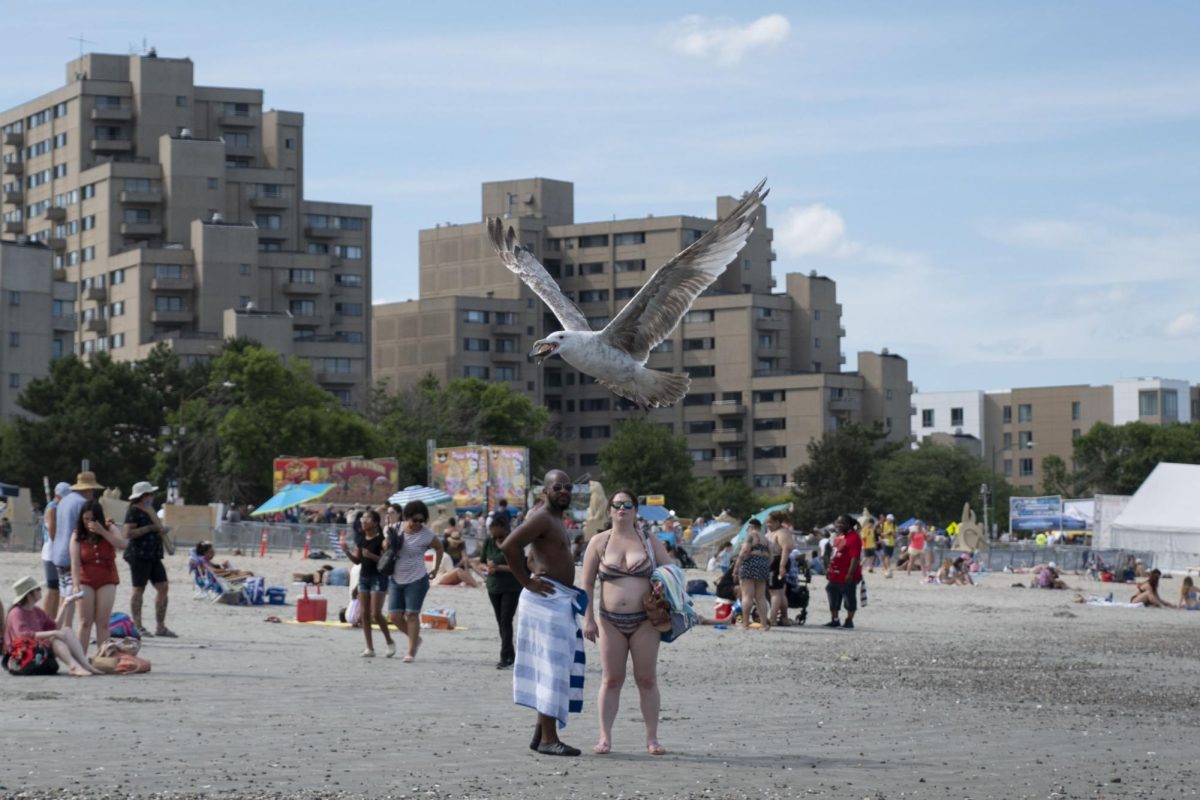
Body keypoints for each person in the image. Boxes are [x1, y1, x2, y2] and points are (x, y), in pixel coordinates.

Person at [581, 489, 673, 756]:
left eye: (628, 505)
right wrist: (587, 618)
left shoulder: (648, 539)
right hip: (609, 621)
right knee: (611, 680)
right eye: (617, 505)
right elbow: (586, 584)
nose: (622, 509)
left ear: (635, 510)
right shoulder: (598, 542)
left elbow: (671, 570)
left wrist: (662, 585)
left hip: (645, 621)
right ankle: (605, 737)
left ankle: (652, 739)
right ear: (610, 509)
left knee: (646, 679)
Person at [502, 469, 585, 757]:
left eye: (568, 487)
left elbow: (529, 553)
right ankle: (550, 739)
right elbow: (509, 546)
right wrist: (526, 581)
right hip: (545, 600)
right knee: (550, 668)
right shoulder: (541, 517)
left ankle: (541, 734)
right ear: (545, 491)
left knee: (552, 666)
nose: (564, 491)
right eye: (558, 487)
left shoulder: (553, 519)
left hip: (554, 599)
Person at [3, 576, 101, 676]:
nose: (41, 591)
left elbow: (55, 626)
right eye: (38, 589)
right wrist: (53, 633)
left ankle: (84, 664)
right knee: (55, 640)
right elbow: (23, 635)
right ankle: (74, 667)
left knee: (66, 630)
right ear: (29, 595)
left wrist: (65, 604)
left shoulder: (36, 610)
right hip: (22, 655)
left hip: (37, 650)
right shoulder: (16, 613)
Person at [387, 500, 442, 663]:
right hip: (396, 577)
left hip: (417, 579)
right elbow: (385, 547)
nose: (418, 523)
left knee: (411, 614)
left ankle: (411, 650)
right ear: (407, 517)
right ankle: (415, 638)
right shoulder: (396, 528)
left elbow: (439, 548)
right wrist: (388, 541)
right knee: (395, 616)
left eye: (421, 520)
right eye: (414, 520)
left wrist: (435, 568)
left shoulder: (426, 534)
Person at [71, 499, 126, 656]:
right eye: (85, 519)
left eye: (92, 519)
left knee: (102, 622)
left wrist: (102, 531)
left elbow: (122, 544)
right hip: (85, 579)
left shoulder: (109, 528)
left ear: (99, 518)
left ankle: (103, 659)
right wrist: (75, 585)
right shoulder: (77, 535)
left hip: (106, 578)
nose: (89, 523)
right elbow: (75, 563)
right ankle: (80, 657)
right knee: (84, 621)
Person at [123, 481, 175, 638]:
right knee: (138, 589)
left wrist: (160, 530)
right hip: (139, 555)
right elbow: (127, 533)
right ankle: (138, 626)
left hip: (153, 555)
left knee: (163, 587)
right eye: (150, 494)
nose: (152, 496)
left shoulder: (150, 510)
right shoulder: (133, 511)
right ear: (143, 496)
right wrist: (151, 528)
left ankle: (161, 626)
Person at [54, 471, 102, 629]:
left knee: (64, 593)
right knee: (72, 595)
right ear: (88, 489)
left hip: (58, 552)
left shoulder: (63, 501)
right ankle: (66, 628)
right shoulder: (82, 504)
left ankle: (59, 626)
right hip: (71, 554)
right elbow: (85, 529)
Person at [346, 509, 395, 658]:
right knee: (364, 614)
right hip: (364, 578)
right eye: (362, 518)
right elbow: (358, 561)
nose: (363, 520)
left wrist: (372, 556)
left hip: (378, 578)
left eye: (367, 518)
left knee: (376, 613)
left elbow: (386, 561)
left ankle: (389, 642)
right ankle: (370, 648)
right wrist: (347, 552)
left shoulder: (382, 539)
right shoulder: (361, 539)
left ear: (375, 523)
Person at [479, 517, 523, 669]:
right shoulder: (488, 542)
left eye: (496, 528)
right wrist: (487, 568)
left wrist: (498, 567)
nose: (493, 531)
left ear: (504, 529)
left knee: (506, 620)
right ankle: (510, 654)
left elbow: (519, 567)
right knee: (501, 622)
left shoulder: (514, 543)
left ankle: (505, 657)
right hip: (493, 587)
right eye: (491, 528)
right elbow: (482, 561)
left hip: (511, 587)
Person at [823, 514, 862, 629]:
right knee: (831, 592)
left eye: (842, 523)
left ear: (849, 525)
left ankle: (849, 620)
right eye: (838, 522)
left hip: (847, 574)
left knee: (849, 597)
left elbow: (855, 558)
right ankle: (835, 620)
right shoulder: (839, 536)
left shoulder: (854, 538)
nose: (839, 525)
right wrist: (828, 570)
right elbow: (833, 554)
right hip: (835, 573)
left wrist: (850, 574)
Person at [732, 518, 771, 630]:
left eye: (748, 528)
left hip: (749, 565)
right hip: (763, 566)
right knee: (761, 597)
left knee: (747, 595)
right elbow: (771, 555)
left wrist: (736, 567)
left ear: (752, 527)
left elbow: (744, 550)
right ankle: (764, 624)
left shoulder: (750, 536)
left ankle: (745, 624)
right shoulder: (765, 538)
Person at [41, 482, 71, 621]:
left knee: (57, 590)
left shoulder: (55, 506)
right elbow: (53, 533)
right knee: (53, 589)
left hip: (53, 552)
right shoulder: (53, 508)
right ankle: (47, 619)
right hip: (51, 553)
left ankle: (51, 619)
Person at [766, 510, 796, 627]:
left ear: (777, 522)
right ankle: (784, 617)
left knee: (775, 593)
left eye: (770, 522)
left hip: (778, 562)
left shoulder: (782, 532)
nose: (768, 524)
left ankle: (773, 619)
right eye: (767, 522)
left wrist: (782, 566)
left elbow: (786, 549)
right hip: (773, 562)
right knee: (780, 593)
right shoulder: (773, 532)